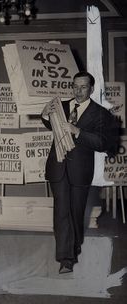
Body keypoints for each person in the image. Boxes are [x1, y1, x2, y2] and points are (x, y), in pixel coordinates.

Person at [41, 71, 120, 274]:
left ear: (91, 89)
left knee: (75, 213)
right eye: (75, 86)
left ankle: (73, 246)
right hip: (57, 167)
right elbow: (52, 124)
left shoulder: (101, 113)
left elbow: (103, 143)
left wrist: (78, 132)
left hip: (80, 171)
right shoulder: (62, 106)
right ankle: (65, 258)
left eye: (83, 87)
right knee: (61, 213)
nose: (78, 90)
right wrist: (44, 114)